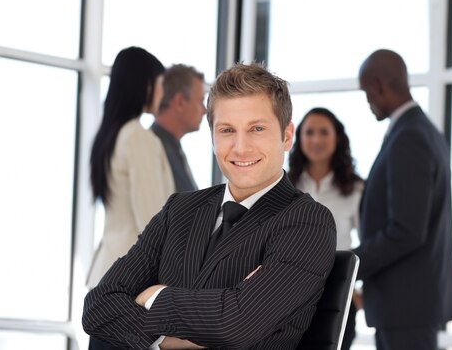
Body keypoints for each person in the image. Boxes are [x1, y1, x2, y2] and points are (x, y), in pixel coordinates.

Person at [83, 62, 336, 349]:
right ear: (213, 136)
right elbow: (98, 304)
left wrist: (153, 296)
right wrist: (175, 338)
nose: (240, 147)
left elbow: (236, 325)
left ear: (287, 136)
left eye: (257, 129)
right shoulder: (180, 210)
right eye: (227, 130)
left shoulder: (307, 222)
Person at [353, 49, 452, 350]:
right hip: (411, 306)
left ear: (378, 85)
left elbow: (406, 230)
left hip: (405, 307)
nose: (367, 102)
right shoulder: (422, 131)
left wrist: (348, 265)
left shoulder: (409, 137)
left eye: (365, 93)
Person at [87, 46, 175, 291]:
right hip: (131, 278)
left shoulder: (110, 136)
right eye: (160, 83)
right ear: (145, 85)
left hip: (106, 267)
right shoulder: (138, 138)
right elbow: (152, 220)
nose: (162, 92)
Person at [288, 107, 364, 350]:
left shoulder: (356, 189)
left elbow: (370, 244)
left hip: (339, 295)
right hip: (290, 297)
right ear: (299, 139)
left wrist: (357, 288)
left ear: (337, 138)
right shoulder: (285, 187)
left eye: (324, 132)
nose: (316, 140)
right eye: (309, 133)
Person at [151, 64, 207, 192]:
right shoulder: (153, 148)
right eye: (200, 101)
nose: (205, 110)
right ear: (180, 102)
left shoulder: (172, 148)